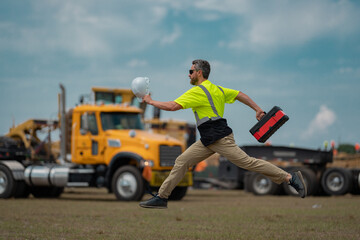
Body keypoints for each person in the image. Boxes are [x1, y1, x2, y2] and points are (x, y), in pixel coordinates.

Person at [139, 59, 306, 209]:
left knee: (248, 163)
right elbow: (240, 94)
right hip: (209, 139)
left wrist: (150, 101)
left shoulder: (197, 91)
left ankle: (289, 178)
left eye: (191, 71)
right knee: (182, 161)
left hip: (219, 138)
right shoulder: (216, 89)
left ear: (199, 72)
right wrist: (257, 109)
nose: (188, 75)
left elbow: (172, 106)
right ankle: (162, 197)